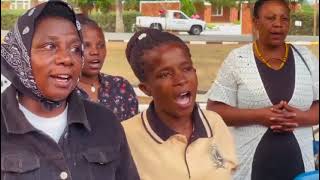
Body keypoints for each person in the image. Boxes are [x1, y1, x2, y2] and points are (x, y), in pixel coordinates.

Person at [1, 1, 139, 180]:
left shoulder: (106, 123)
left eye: (75, 49)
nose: (67, 59)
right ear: (20, 53)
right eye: (50, 46)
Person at [206, 0, 319, 179]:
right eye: (270, 18)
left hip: (299, 166)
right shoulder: (238, 59)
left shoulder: (306, 58)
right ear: (256, 22)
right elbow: (215, 109)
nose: (278, 24)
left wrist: (299, 118)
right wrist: (260, 116)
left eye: (284, 19)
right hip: (249, 166)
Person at [122, 29, 237, 180]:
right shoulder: (124, 135)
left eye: (186, 69)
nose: (181, 79)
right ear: (146, 88)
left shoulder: (214, 122)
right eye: (165, 74)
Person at [75, 14, 138, 121]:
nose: (95, 52)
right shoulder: (62, 90)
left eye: (100, 45)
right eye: (86, 46)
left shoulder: (121, 87)